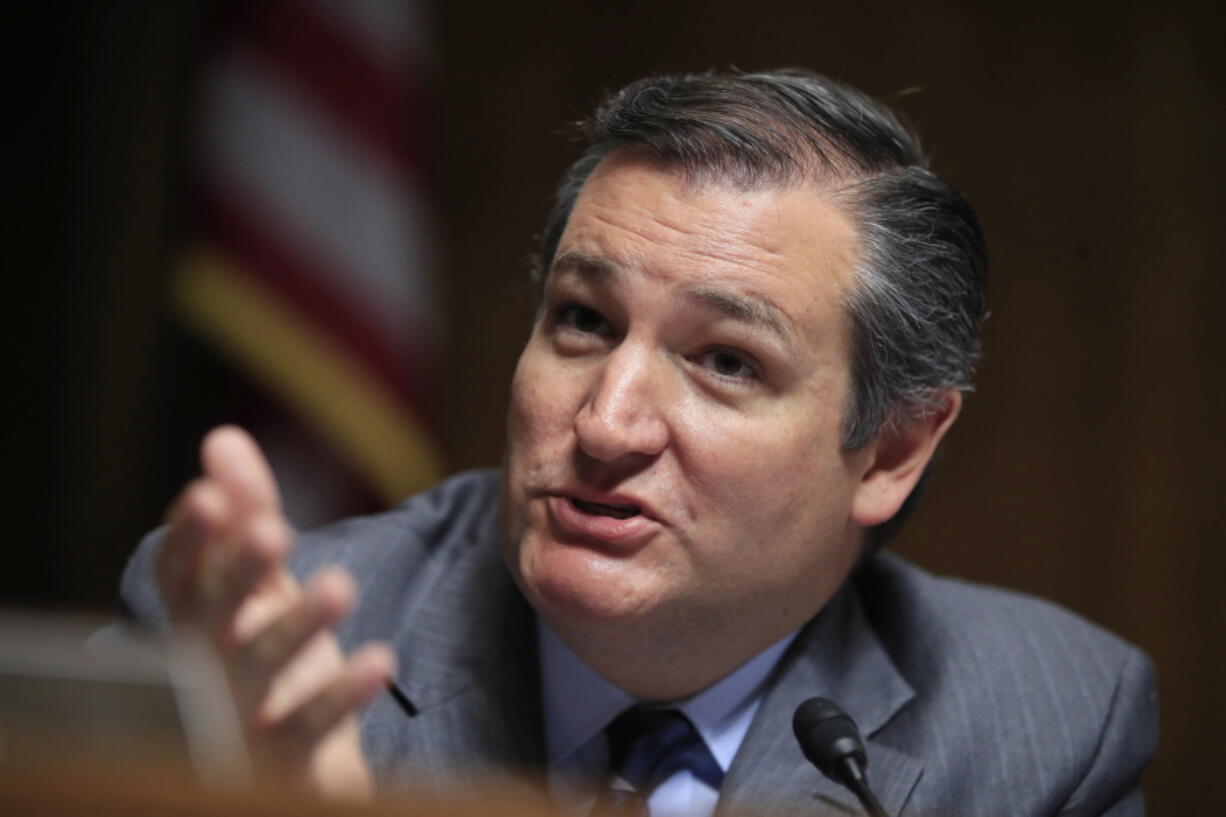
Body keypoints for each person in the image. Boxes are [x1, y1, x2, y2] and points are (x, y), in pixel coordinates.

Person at [120, 69, 1157, 816]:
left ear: (888, 450)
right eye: (583, 320)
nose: (606, 424)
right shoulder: (247, 652)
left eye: (726, 362)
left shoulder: (1045, 725)